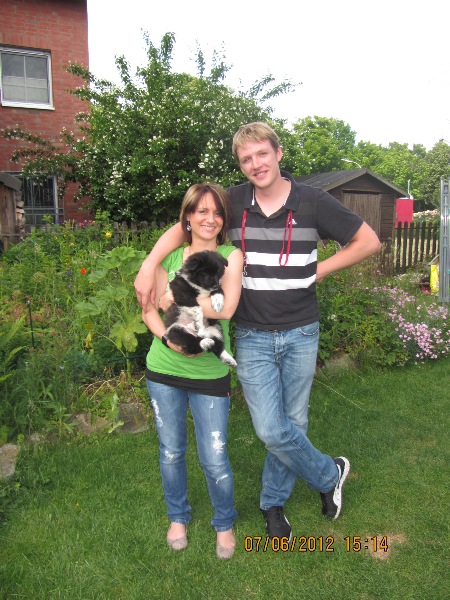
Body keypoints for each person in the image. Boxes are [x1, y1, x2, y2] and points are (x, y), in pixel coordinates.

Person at [136, 123, 381, 542]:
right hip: (251, 333)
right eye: (246, 159)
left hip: (301, 330)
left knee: (294, 420)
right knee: (270, 429)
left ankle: (273, 503)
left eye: (262, 154)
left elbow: (368, 241)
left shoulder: (314, 201)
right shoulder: (232, 202)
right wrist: (148, 265)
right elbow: (185, 227)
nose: (256, 164)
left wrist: (318, 270)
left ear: (278, 153)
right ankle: (329, 473)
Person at [141, 182, 243, 559]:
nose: (209, 219)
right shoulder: (167, 257)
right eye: (201, 211)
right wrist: (167, 337)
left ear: (224, 220)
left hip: (209, 376)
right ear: (187, 216)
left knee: (214, 457)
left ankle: (224, 522)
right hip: (163, 370)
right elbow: (149, 309)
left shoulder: (230, 256)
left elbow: (227, 307)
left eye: (216, 212)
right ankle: (178, 517)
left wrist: (177, 296)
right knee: (171, 451)